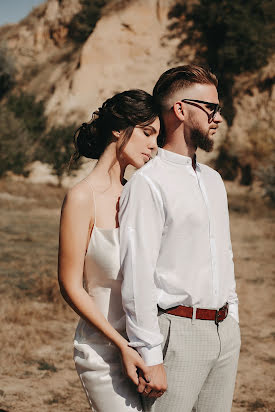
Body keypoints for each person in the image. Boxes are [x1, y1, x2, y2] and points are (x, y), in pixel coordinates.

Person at [119, 65, 241, 412]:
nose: (218, 117)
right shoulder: (148, 183)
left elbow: (224, 254)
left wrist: (232, 317)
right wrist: (151, 353)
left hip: (223, 334)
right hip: (176, 335)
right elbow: (137, 275)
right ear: (180, 109)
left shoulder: (214, 181)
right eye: (211, 108)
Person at [58, 89, 160, 412]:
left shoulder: (137, 195)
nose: (154, 146)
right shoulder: (81, 197)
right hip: (104, 351)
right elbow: (70, 285)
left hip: (148, 350)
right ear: (118, 129)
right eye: (147, 133)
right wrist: (121, 346)